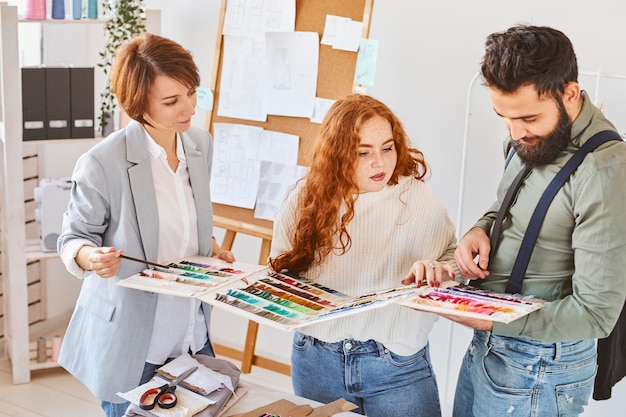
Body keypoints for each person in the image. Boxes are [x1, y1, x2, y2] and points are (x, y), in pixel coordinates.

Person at [452, 25, 626, 417]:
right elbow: (507, 206)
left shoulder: (604, 170)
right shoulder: (527, 136)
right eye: (504, 117)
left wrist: (492, 321)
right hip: (493, 343)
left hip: (540, 366)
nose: (515, 133)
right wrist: (480, 228)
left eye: (528, 117)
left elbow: (597, 313)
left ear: (569, 92)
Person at [56, 33, 234, 417]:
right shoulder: (102, 162)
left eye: (191, 92)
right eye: (171, 101)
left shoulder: (199, 144)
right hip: (133, 341)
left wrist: (214, 249)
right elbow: (73, 238)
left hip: (190, 332)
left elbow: (187, 220)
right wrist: (91, 257)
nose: (189, 108)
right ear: (137, 106)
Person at [269, 93, 457, 417]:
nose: (380, 163)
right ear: (338, 155)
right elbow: (277, 274)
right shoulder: (305, 200)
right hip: (316, 361)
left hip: (396, 367)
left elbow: (455, 260)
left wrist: (439, 268)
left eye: (387, 148)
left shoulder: (417, 198)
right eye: (363, 153)